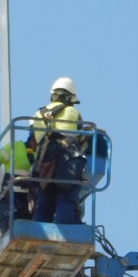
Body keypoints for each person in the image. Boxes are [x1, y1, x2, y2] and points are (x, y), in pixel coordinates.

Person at [28, 77, 88, 225]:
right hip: (67, 160)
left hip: (45, 161)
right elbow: (80, 138)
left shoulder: (39, 114)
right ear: (70, 97)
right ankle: (63, 229)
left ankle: (39, 232)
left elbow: (36, 138)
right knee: (66, 196)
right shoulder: (73, 112)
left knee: (45, 199)